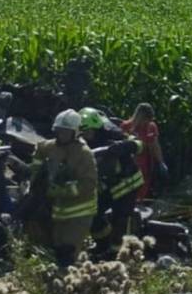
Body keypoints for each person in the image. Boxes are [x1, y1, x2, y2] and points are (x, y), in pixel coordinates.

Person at [32, 109, 99, 266]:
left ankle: (73, 285)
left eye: (65, 132)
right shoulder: (51, 147)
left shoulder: (84, 154)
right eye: (59, 131)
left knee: (67, 253)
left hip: (80, 212)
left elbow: (89, 184)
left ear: (75, 132)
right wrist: (36, 176)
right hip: (59, 211)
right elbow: (39, 150)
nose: (61, 135)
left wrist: (62, 190)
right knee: (56, 249)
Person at [78, 107, 144, 253]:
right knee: (93, 213)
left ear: (96, 127)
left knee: (120, 219)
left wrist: (126, 146)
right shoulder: (84, 143)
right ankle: (102, 245)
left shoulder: (114, 134)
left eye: (88, 131)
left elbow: (139, 145)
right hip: (108, 185)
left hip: (128, 183)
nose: (86, 135)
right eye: (82, 132)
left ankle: (117, 253)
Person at [121, 103, 166, 200]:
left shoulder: (151, 127)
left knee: (142, 193)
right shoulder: (126, 127)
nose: (147, 122)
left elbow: (155, 146)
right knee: (129, 194)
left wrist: (161, 162)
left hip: (146, 166)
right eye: (146, 119)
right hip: (129, 167)